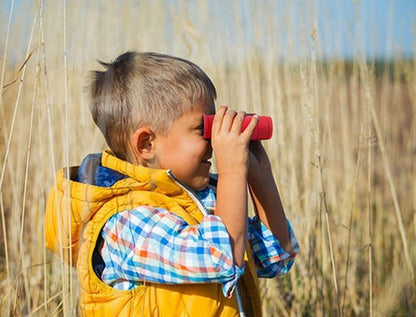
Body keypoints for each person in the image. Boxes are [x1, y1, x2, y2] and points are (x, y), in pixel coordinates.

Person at [45, 51, 298, 316]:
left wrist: (260, 175)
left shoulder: (205, 201)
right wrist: (232, 170)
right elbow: (220, 259)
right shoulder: (127, 224)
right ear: (147, 144)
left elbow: (275, 257)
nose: (214, 141)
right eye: (204, 129)